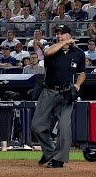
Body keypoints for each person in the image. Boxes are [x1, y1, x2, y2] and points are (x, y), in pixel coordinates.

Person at [31, 24, 86, 168]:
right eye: (57, 33)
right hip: (49, 91)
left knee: (64, 126)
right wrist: (64, 42)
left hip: (66, 93)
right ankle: (49, 151)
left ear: (69, 34)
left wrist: (78, 85)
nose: (59, 35)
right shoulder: (52, 49)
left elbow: (82, 74)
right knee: (37, 125)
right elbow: (47, 53)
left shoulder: (79, 53)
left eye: (62, 33)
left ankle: (59, 158)